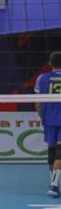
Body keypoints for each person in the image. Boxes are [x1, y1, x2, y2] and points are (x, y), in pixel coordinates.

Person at [34, 51, 61, 197]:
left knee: (52, 150)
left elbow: (37, 103)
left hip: (49, 119)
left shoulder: (41, 78)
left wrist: (42, 117)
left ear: (50, 63)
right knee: (59, 152)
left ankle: (53, 182)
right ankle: (54, 185)